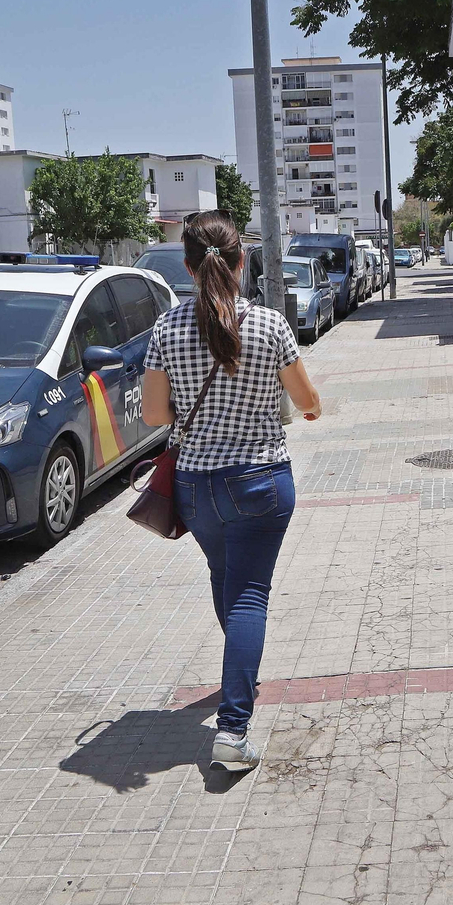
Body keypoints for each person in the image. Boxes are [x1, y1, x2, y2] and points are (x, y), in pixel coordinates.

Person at [142, 211, 322, 772]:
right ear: (242, 263)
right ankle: (233, 730)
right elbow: (308, 399)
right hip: (260, 483)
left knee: (228, 583)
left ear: (189, 268)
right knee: (249, 596)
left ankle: (239, 673)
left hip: (196, 489)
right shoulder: (270, 326)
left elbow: (152, 414)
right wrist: (303, 409)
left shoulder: (166, 330)